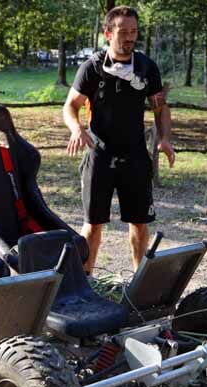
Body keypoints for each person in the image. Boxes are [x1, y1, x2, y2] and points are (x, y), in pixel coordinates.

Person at [63, 5, 174, 275]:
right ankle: (86, 279)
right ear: (108, 33)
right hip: (99, 154)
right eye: (123, 32)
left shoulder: (147, 68)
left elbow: (160, 107)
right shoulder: (92, 68)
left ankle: (138, 279)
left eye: (133, 32)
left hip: (135, 155)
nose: (129, 37)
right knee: (93, 223)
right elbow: (70, 106)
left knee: (139, 222)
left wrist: (166, 138)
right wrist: (77, 128)